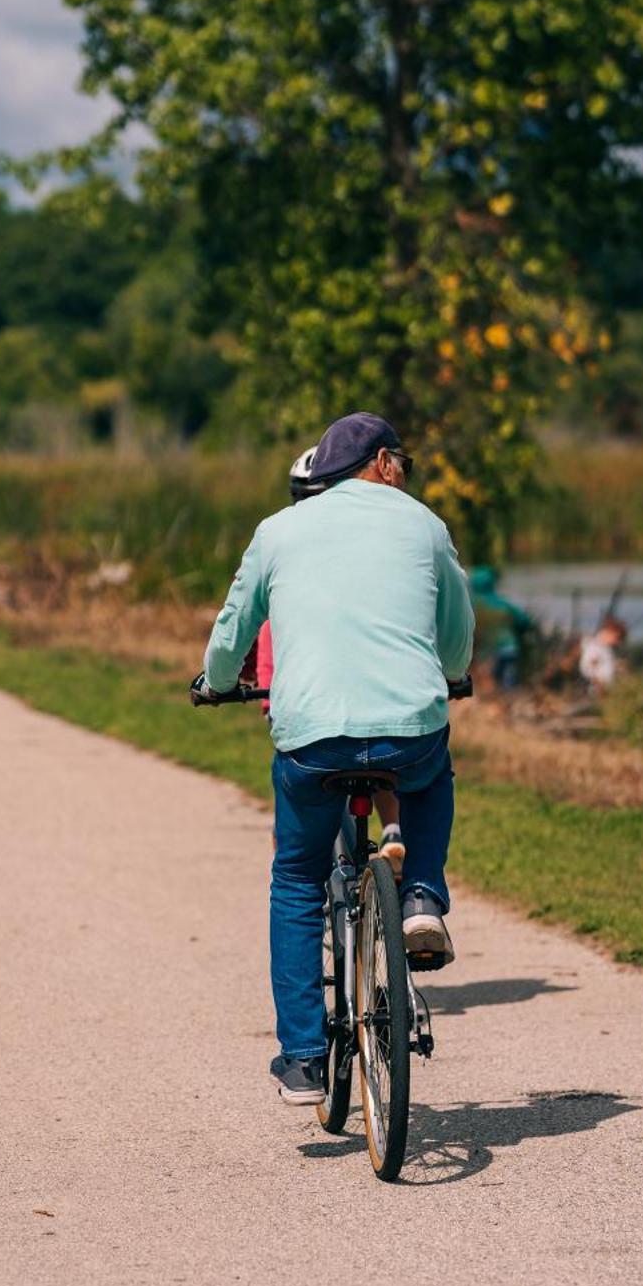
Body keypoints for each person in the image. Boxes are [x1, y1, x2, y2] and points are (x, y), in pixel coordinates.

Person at [193, 412, 474, 1109]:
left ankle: (303, 1058)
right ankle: (420, 896)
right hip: (408, 729)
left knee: (295, 878)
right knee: (430, 775)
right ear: (379, 462)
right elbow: (456, 620)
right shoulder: (423, 524)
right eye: (401, 458)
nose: (405, 470)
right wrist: (452, 671)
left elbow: (235, 626)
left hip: (313, 738)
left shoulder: (277, 532)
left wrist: (217, 682)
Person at [248, 448, 405, 872]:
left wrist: (241, 686)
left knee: (296, 858)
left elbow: (254, 628)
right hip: (379, 706)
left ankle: (307, 870)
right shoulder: (386, 544)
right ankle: (402, 855)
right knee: (397, 764)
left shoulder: (280, 545)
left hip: (304, 712)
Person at [468, 563, 534, 692]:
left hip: (485, 655)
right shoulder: (502, 603)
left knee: (488, 686)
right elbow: (525, 622)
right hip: (509, 649)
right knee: (509, 686)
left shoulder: (470, 605)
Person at [579, 614, 627, 693]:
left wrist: (616, 667)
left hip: (605, 689)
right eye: (617, 638)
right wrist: (598, 685)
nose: (617, 642)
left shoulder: (605, 648)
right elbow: (588, 668)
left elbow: (602, 666)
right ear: (609, 632)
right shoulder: (594, 647)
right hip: (596, 691)